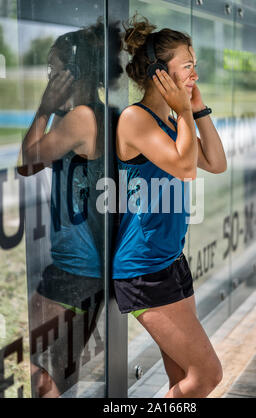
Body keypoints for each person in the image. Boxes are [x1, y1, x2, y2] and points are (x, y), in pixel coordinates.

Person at [112, 12, 227, 398]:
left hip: (171, 261)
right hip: (143, 269)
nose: (196, 72)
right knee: (207, 376)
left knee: (183, 379)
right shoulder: (136, 118)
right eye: (188, 65)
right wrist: (182, 112)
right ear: (160, 72)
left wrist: (197, 108)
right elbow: (184, 167)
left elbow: (215, 162)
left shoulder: (170, 121)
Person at [17, 19, 122, 397]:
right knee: (59, 367)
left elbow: (27, 162)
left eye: (52, 70)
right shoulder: (99, 113)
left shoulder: (80, 118)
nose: (48, 78)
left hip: (76, 270)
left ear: (73, 73)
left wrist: (43, 109)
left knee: (41, 369)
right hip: (87, 270)